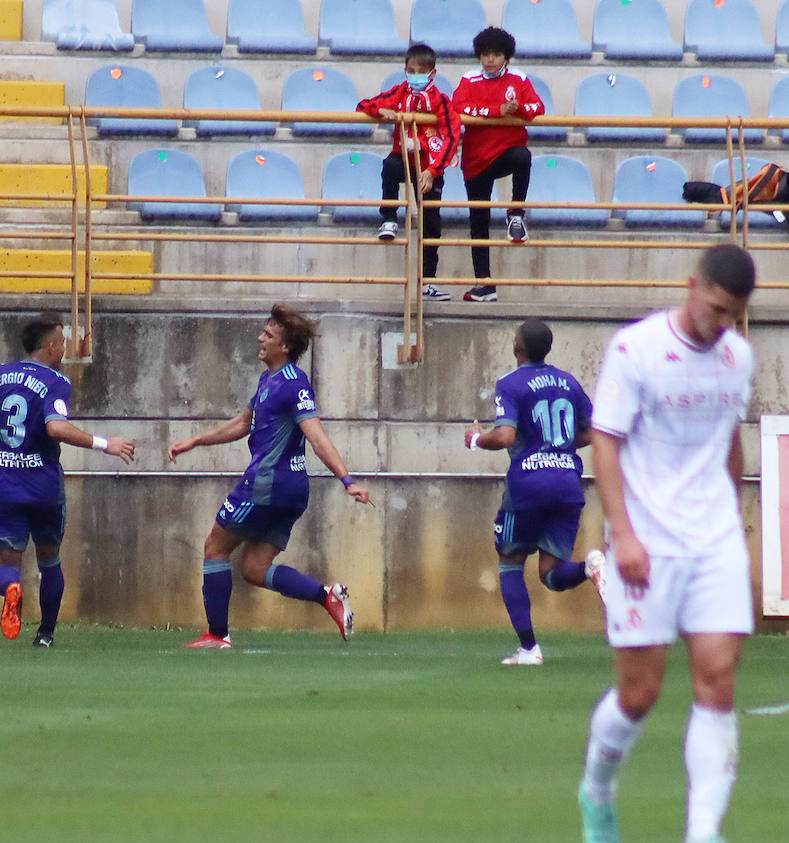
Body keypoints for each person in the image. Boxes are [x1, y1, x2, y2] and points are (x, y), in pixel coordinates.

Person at [576, 244, 757, 843]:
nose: (721, 324)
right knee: (641, 692)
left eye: (733, 315)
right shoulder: (636, 350)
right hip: (647, 541)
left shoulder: (738, 357)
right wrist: (621, 534)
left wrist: (732, 522)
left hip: (713, 540)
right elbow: (605, 443)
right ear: (691, 288)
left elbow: (730, 443)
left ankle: (702, 836)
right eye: (715, 308)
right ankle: (597, 791)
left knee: (718, 678)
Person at [167, 305, 374, 649]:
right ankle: (327, 596)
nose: (260, 338)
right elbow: (243, 423)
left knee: (215, 547)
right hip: (292, 490)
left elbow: (317, 435)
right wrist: (196, 440)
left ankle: (218, 635)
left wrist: (348, 480)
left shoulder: (292, 384)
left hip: (266, 485)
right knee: (254, 568)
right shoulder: (270, 381)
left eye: (268, 334)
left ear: (285, 347)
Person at [0, 315, 135, 647]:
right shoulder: (55, 382)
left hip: (2, 485)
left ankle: (11, 590)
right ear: (51, 347)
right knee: (49, 559)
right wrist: (105, 444)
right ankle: (46, 634)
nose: (64, 347)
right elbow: (55, 427)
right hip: (42, 488)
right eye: (62, 341)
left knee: (7, 563)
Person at [465, 318, 603, 665]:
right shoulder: (569, 382)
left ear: (517, 347)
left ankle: (529, 650)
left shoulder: (510, 384)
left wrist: (476, 440)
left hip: (528, 485)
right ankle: (590, 568)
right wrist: (556, 446)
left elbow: (506, 436)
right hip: (568, 483)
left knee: (510, 562)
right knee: (551, 575)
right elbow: (594, 432)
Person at [356, 43, 462, 303]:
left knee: (431, 223)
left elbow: (451, 137)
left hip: (429, 167)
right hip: (404, 159)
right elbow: (363, 104)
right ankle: (389, 218)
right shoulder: (399, 92)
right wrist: (379, 111)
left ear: (432, 74)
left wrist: (433, 169)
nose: (414, 76)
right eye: (410, 70)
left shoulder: (441, 101)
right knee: (390, 165)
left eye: (420, 71)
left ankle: (428, 282)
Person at [452, 27, 545, 303]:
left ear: (506, 56)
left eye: (496, 54)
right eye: (485, 54)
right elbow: (458, 107)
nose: (490, 59)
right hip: (476, 159)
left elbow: (537, 109)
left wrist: (517, 109)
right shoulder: (468, 79)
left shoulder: (519, 79)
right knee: (478, 223)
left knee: (523, 157)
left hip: (505, 152)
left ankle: (515, 213)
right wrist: (495, 111)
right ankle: (484, 285)